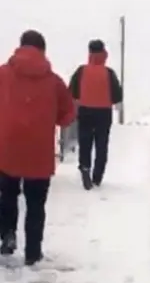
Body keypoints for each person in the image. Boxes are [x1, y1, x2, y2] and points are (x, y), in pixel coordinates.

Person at [0, 30, 76, 266]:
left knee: (6, 195)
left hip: (7, 147)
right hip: (39, 152)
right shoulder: (54, 82)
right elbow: (67, 116)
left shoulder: (2, 74)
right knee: (35, 203)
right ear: (43, 51)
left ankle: (7, 236)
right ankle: (33, 252)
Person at [68, 39, 123, 190]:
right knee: (101, 144)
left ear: (90, 53)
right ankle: (97, 176)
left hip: (85, 110)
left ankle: (85, 168)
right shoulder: (109, 73)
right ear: (104, 53)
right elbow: (117, 96)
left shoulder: (81, 71)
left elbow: (72, 91)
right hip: (104, 113)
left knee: (85, 142)